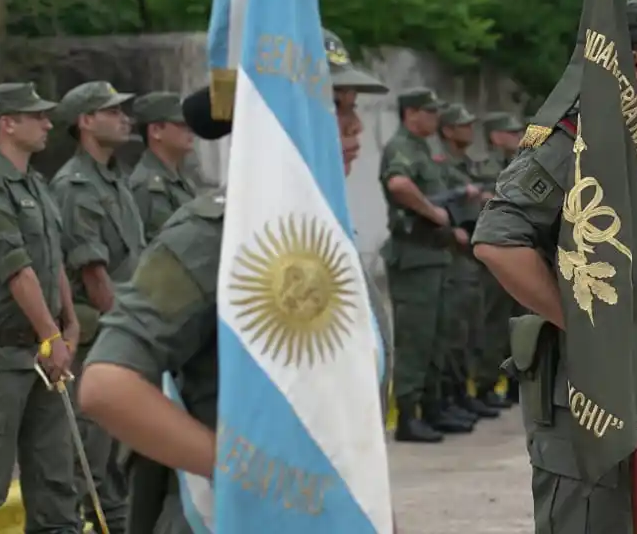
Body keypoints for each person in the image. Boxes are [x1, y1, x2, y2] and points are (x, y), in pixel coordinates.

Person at [77, 39, 394, 534]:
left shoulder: (322, 232)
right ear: (269, 116)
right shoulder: (217, 233)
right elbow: (107, 386)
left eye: (352, 107)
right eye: (333, 105)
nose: (354, 126)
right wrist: (258, 478)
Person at [471, 0, 637, 534]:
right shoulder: (574, 146)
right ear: (634, 62)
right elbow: (498, 241)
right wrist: (589, 331)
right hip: (589, 401)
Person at [0, 83, 81, 533]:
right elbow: (15, 268)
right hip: (1, 355)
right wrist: (51, 334)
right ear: (7, 123)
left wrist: (68, 323)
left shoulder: (36, 185)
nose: (47, 123)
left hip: (43, 351)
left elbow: (51, 259)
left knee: (55, 482)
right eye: (36, 116)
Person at [50, 80, 144, 534]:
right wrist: (135, 332)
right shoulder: (75, 186)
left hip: (120, 333)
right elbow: (94, 277)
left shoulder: (114, 179)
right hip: (100, 339)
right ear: (86, 121)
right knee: (90, 460)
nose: (124, 118)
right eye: (112, 111)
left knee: (116, 461)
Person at [381, 87, 478, 442]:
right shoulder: (401, 147)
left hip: (434, 255)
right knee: (416, 340)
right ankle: (408, 416)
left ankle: (432, 407)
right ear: (411, 114)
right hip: (414, 256)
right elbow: (398, 184)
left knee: (437, 338)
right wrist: (434, 212)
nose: (436, 118)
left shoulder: (422, 148)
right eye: (430, 112)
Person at [437, 102, 499, 422]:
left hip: (472, 255)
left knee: (471, 330)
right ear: (447, 130)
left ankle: (464, 394)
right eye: (463, 125)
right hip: (452, 255)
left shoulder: (467, 165)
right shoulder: (442, 165)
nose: (469, 130)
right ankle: (449, 398)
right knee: (454, 333)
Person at [470, 111, 528, 409]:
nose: (517, 137)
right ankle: (486, 384)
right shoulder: (482, 168)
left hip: (520, 252)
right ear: (495, 136)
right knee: (493, 323)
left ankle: (517, 381)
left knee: (521, 321)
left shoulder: (520, 163)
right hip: (495, 254)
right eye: (511, 132)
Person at [128, 92, 197, 241]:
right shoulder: (147, 185)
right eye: (182, 125)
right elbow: (165, 243)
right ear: (156, 131)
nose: (191, 130)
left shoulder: (179, 178)